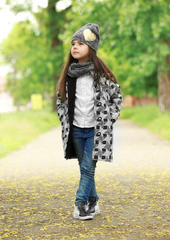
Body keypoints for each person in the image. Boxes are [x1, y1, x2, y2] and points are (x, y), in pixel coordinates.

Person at [56, 23, 123, 220]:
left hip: (96, 130)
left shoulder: (101, 75)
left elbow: (116, 98)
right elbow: (60, 101)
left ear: (91, 48)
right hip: (76, 129)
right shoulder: (68, 76)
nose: (75, 47)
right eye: (73, 44)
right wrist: (63, 118)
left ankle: (80, 205)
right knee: (85, 168)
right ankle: (93, 200)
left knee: (87, 168)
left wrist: (108, 118)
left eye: (80, 43)